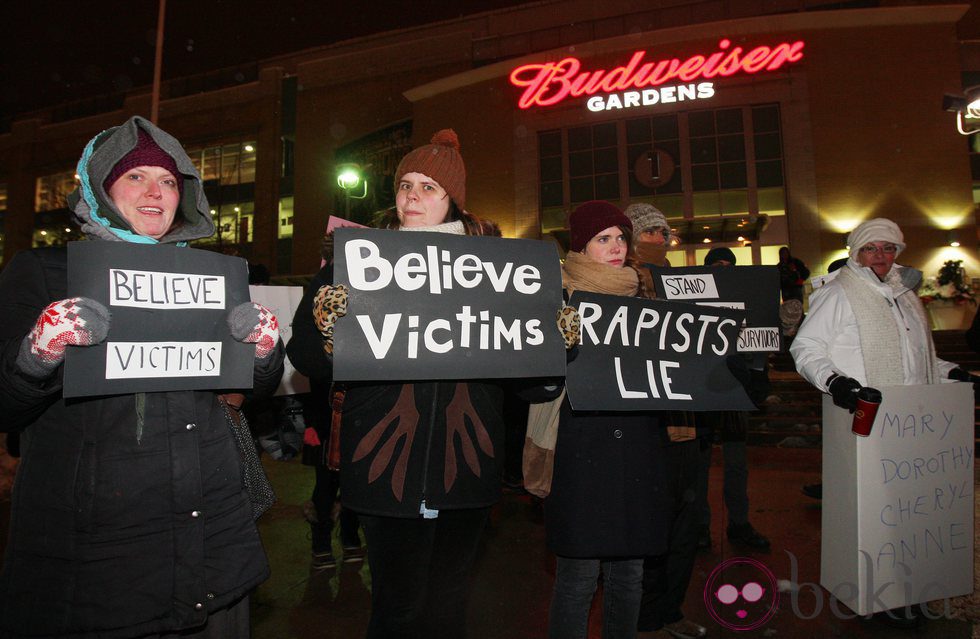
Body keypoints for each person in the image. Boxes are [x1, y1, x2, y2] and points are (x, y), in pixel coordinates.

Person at [0, 116, 285, 637]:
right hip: (101, 556)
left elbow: (248, 393)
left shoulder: (210, 277)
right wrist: (37, 355)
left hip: (212, 537)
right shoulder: (44, 272)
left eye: (170, 181)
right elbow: (7, 407)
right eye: (136, 176)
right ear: (102, 187)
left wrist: (264, 354)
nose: (156, 191)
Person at [295, 129, 513, 639]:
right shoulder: (356, 263)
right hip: (383, 465)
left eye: (429, 187)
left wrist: (555, 341)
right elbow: (303, 356)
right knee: (396, 611)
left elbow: (530, 384)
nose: (412, 196)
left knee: (448, 610)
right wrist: (327, 328)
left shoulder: (494, 271)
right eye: (405, 185)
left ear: (453, 202)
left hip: (467, 469)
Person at [790, 217, 977, 628]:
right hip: (866, 415)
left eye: (889, 249)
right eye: (872, 248)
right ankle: (878, 595)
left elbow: (916, 353)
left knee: (909, 510)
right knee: (874, 513)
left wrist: (947, 372)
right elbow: (805, 348)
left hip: (913, 420)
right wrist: (836, 382)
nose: (880, 257)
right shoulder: (839, 292)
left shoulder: (904, 294)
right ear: (856, 252)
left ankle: (909, 588)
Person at [539, 200, 671, 639]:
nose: (616, 247)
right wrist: (557, 347)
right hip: (580, 452)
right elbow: (527, 384)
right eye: (603, 239)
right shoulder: (553, 297)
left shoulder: (648, 296)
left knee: (629, 574)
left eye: (620, 237)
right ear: (581, 245)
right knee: (577, 577)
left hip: (638, 451)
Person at [625, 203, 706, 639]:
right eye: (649, 232)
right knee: (650, 527)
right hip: (645, 425)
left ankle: (670, 611)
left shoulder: (684, 283)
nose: (660, 238)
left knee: (684, 526)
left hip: (686, 422)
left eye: (664, 231)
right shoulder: (623, 281)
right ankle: (643, 617)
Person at [288, 235, 364, 570]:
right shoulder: (320, 286)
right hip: (327, 405)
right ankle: (322, 540)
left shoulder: (370, 286)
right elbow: (302, 346)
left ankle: (350, 537)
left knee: (356, 477)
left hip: (361, 404)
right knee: (326, 477)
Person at [694, 247, 771, 552]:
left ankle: (739, 524)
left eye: (728, 265)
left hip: (736, 391)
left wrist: (758, 375)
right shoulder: (696, 300)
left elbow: (762, 336)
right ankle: (700, 527)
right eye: (716, 265)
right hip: (703, 391)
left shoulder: (749, 299)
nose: (722, 270)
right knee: (698, 466)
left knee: (737, 464)